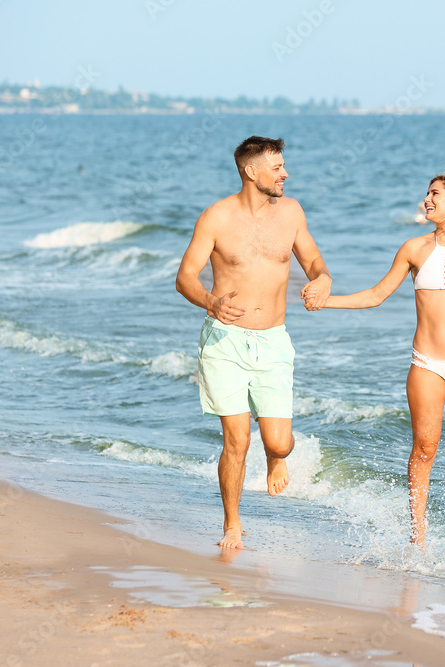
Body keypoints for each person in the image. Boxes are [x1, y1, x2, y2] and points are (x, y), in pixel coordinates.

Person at [313, 171, 445, 554]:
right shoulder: (413, 249)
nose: (427, 200)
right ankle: (418, 535)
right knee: (424, 449)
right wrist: (325, 301)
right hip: (427, 361)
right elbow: (376, 295)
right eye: (427, 194)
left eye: (435, 194)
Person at [176, 136, 331, 550]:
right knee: (237, 439)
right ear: (251, 171)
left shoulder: (292, 212)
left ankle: (276, 457)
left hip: (274, 341)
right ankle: (232, 524)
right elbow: (185, 276)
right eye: (277, 168)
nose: (285, 174)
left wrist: (323, 278)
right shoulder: (216, 218)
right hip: (226, 341)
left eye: (284, 166)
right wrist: (210, 301)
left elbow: (312, 259)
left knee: (278, 441)